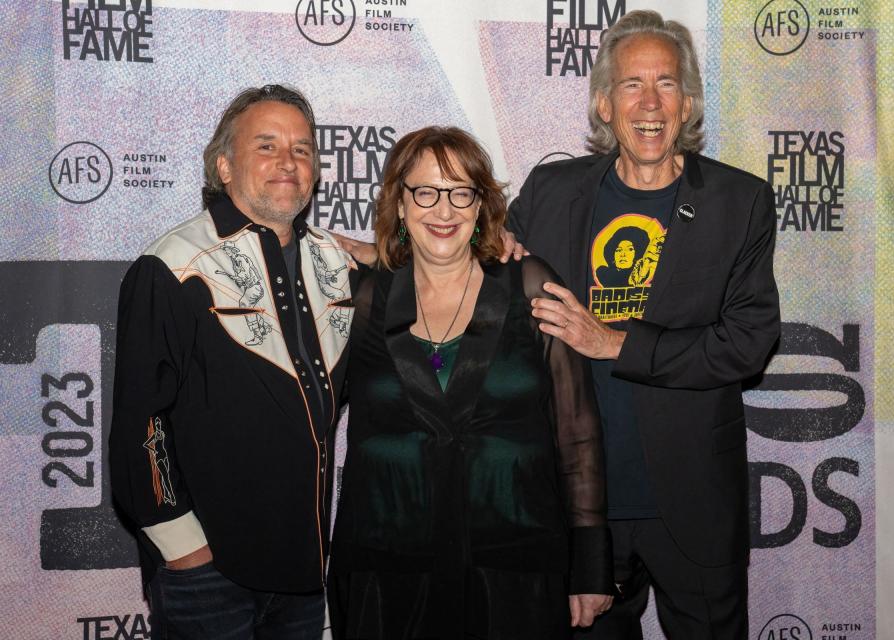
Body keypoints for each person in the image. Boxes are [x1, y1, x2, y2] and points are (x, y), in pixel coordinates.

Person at [509, 10, 781, 639]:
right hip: (578, 506)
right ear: (604, 104)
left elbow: (748, 342)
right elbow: (470, 260)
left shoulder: (739, 203)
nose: (651, 102)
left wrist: (613, 343)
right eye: (632, 84)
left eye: (667, 85)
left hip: (691, 503)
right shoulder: (550, 192)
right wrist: (380, 256)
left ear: (688, 104)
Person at [328, 126, 614, 639]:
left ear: (481, 204)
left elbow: (577, 432)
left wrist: (590, 563)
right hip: (387, 571)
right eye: (426, 192)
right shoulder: (361, 299)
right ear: (399, 203)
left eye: (462, 192)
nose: (444, 210)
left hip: (514, 568)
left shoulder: (529, 286)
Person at [110, 85, 354, 639]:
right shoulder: (173, 266)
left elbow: (433, 272)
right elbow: (138, 424)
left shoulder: (338, 265)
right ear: (224, 165)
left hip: (304, 571)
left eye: (302, 148)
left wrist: (493, 240)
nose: (288, 161)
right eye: (266, 146)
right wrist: (184, 550)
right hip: (208, 577)